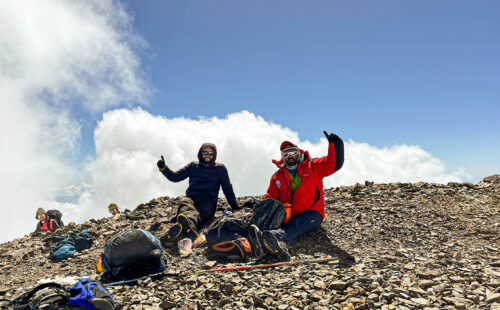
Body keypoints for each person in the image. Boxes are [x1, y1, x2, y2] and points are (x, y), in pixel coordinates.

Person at [248, 130, 344, 260]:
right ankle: (252, 242)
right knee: (269, 222)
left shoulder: (313, 166)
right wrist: (258, 208)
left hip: (312, 214)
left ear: (298, 152)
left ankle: (275, 238)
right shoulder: (277, 176)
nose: (290, 156)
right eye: (285, 154)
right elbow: (270, 199)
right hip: (286, 216)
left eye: (292, 152)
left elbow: (332, 164)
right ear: (282, 156)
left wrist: (335, 145)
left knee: (296, 226)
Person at [157, 143, 240, 245]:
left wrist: (235, 207)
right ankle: (187, 228)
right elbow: (175, 177)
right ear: (200, 153)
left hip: (208, 202)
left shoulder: (220, 169)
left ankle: (183, 227)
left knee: (199, 212)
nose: (208, 155)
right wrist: (164, 168)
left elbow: (227, 189)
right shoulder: (193, 166)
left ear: (214, 155)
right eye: (205, 152)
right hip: (191, 199)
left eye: (210, 153)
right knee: (185, 203)